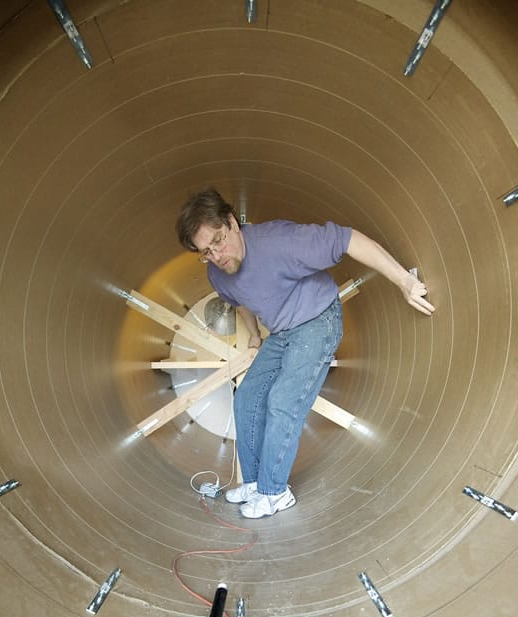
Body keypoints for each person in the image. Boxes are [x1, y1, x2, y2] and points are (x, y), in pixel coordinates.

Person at [176, 189, 434, 519]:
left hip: (317, 321)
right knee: (247, 397)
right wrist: (255, 338)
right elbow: (241, 301)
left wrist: (403, 281)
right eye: (206, 252)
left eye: (219, 241)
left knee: (283, 401)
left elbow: (348, 239)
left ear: (231, 222)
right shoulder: (218, 272)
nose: (217, 255)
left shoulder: (282, 241)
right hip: (281, 333)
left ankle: (275, 493)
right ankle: (255, 483)